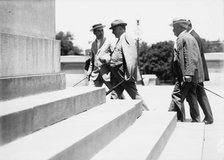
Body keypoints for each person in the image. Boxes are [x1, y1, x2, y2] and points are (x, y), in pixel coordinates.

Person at [106, 19, 149, 111]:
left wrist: (129, 74)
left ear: (120, 28)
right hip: (118, 75)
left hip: (123, 75)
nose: (112, 32)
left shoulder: (126, 39)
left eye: (114, 29)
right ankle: (111, 112)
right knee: (115, 94)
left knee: (134, 94)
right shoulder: (120, 40)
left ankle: (147, 112)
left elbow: (131, 58)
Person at [168, 18, 204, 122]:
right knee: (191, 95)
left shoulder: (185, 38)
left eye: (174, 28)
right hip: (186, 75)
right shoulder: (185, 37)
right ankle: (196, 119)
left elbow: (190, 57)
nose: (173, 30)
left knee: (176, 95)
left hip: (186, 76)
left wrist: (188, 74)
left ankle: (173, 119)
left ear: (179, 27)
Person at [186, 20, 213, 124]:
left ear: (189, 26)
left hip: (197, 72)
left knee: (200, 94)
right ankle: (208, 117)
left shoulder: (193, 36)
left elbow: (195, 57)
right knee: (200, 94)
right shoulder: (193, 35)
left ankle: (208, 117)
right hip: (198, 72)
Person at [87, 23, 122, 99]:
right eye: (99, 31)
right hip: (95, 75)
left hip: (107, 73)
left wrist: (107, 59)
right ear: (94, 33)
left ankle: (123, 103)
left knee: (116, 93)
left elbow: (116, 56)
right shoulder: (93, 44)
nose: (101, 32)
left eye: (102, 30)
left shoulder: (109, 42)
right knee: (89, 93)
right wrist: (89, 71)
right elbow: (92, 60)